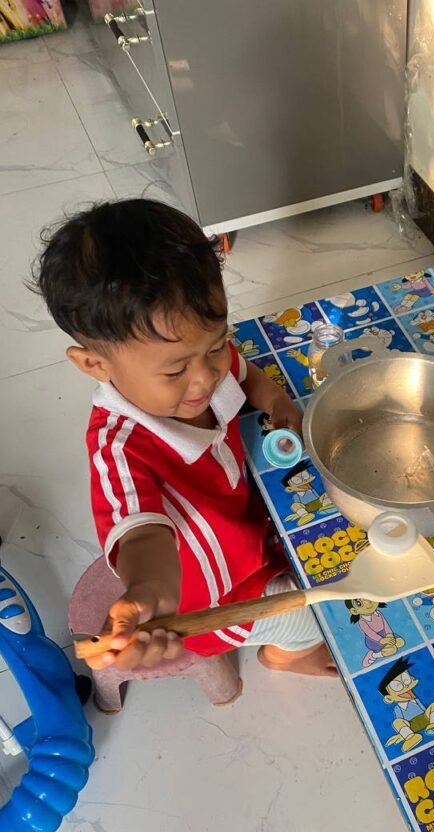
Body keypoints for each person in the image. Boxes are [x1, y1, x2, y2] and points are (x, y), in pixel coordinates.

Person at [34, 199, 336, 702]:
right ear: (93, 364)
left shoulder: (202, 357)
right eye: (175, 371)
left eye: (215, 345)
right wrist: (149, 597)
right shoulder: (120, 452)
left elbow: (242, 369)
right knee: (335, 616)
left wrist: (276, 400)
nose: (205, 377)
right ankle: (286, 653)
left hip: (252, 529)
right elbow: (145, 539)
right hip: (221, 599)